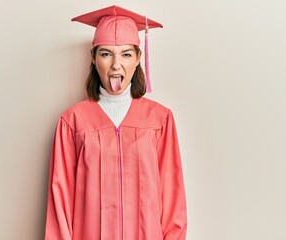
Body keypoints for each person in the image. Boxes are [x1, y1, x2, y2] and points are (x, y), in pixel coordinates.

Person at [44, 5, 187, 240]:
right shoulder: (72, 123)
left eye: (126, 54)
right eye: (106, 53)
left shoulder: (160, 120)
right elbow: (59, 204)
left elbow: (174, 203)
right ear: (93, 57)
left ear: (139, 58)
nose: (116, 65)